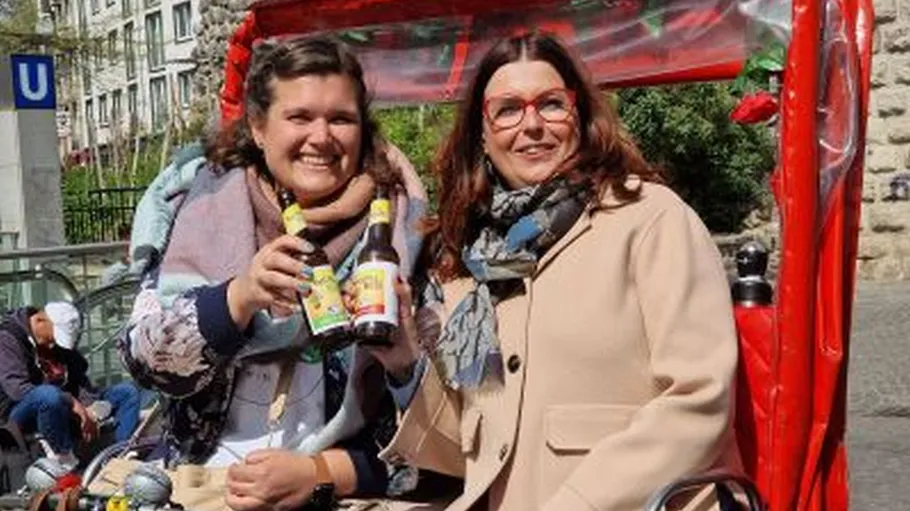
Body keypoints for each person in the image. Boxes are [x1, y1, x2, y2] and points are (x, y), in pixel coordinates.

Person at [365, 32, 742, 511]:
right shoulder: (471, 261)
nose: (532, 125)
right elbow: (473, 449)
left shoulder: (649, 218)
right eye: (507, 110)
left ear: (579, 116)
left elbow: (699, 399)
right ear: (482, 135)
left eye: (551, 104)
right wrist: (404, 362)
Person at [116, 36, 429, 510]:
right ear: (258, 128)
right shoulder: (197, 210)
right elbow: (145, 366)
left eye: (341, 119)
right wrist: (237, 298)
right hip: (200, 490)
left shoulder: (401, 232)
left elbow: (443, 441)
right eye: (299, 117)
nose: (321, 137)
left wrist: (320, 473)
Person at [0, 302, 141, 468]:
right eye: (52, 338)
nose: (52, 344)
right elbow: (18, 390)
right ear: (40, 320)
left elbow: (78, 379)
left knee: (127, 392)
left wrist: (89, 407)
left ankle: (118, 455)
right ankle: (64, 458)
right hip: (20, 410)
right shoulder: (7, 339)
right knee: (48, 395)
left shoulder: (56, 345)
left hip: (63, 404)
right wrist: (71, 402)